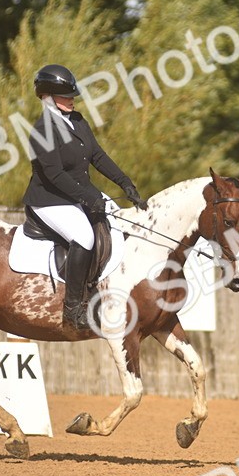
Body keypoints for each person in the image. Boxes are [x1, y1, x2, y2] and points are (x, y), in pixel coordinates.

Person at [23, 64, 147, 330]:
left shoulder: (77, 121)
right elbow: (54, 175)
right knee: (85, 236)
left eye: (72, 95)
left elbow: (98, 156)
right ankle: (73, 309)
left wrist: (126, 183)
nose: (72, 99)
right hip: (49, 199)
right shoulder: (41, 130)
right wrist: (87, 197)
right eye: (66, 96)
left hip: (76, 194)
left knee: (115, 226)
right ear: (49, 97)